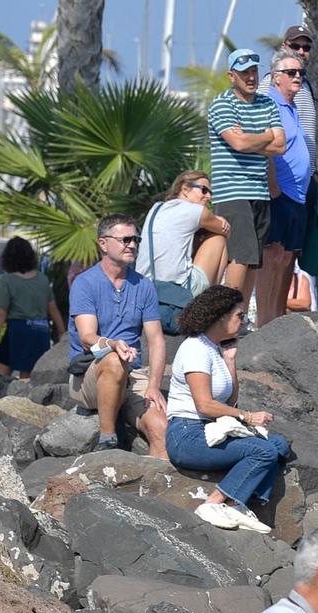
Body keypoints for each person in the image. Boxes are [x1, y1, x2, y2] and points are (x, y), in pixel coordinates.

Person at [160, 285, 291, 531]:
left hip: (209, 430)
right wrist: (249, 417)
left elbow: (229, 403)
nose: (244, 321)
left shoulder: (214, 348)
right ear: (220, 316)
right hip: (187, 435)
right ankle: (213, 504)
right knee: (263, 452)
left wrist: (230, 361)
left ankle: (235, 502)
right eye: (240, 315)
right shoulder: (195, 349)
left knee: (278, 444)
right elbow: (205, 405)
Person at [67, 213, 168, 451]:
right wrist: (112, 344)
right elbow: (86, 336)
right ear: (103, 243)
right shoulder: (85, 283)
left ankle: (157, 486)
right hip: (90, 375)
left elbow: (156, 341)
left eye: (136, 240)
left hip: (133, 377)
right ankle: (107, 439)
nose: (132, 245)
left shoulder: (144, 285)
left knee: (162, 428)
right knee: (113, 361)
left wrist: (153, 385)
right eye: (125, 240)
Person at [205, 49, 285, 309]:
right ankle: (226, 314)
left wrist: (249, 139)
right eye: (244, 73)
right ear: (231, 76)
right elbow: (238, 143)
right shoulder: (221, 104)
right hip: (232, 191)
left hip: (259, 191)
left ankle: (238, 316)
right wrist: (264, 136)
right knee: (240, 255)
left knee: (254, 259)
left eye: (253, 71)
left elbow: (280, 146)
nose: (251, 77)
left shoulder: (267, 103)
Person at [255, 50, 312, 327]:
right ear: (276, 77)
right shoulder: (270, 105)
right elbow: (265, 147)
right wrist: (273, 183)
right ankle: (264, 319)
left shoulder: (292, 108)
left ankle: (276, 318)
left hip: (299, 193)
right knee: (272, 254)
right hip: (281, 192)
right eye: (291, 73)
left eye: (300, 72)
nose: (298, 77)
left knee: (288, 256)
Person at [139, 170, 229, 300]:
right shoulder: (197, 211)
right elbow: (225, 230)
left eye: (210, 192)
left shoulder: (156, 208)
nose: (209, 196)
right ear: (185, 189)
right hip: (179, 289)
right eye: (204, 190)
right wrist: (218, 218)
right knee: (218, 239)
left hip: (147, 288)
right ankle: (211, 303)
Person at [0, 236, 61, 378]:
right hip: (40, 331)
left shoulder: (7, 281)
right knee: (29, 376)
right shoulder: (42, 279)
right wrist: (62, 333)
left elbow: (0, 313)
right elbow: (53, 309)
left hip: (17, 330)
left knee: (0, 374)